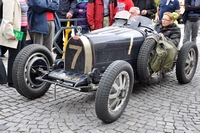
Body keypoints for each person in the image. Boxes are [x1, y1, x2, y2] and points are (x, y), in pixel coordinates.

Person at [0, 0, 28, 87]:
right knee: (14, 56)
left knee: (21, 56)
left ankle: (18, 78)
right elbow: (7, 18)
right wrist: (10, 33)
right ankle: (12, 81)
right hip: (15, 30)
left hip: (23, 29)